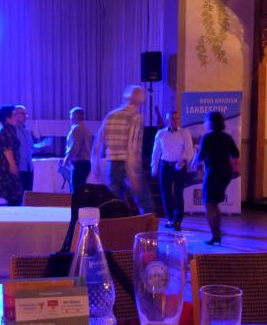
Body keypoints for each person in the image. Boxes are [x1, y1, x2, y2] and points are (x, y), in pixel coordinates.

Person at [93, 85, 154, 214]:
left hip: (112, 164)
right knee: (146, 204)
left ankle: (115, 226)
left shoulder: (112, 115)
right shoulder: (135, 117)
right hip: (128, 164)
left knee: (114, 203)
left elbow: (98, 141)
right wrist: (132, 173)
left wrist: (95, 164)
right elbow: (132, 145)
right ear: (140, 100)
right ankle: (148, 227)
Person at [191, 111, 239, 245]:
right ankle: (217, 232)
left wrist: (197, 157)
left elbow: (200, 157)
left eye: (206, 120)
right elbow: (236, 154)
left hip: (213, 173)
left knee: (209, 204)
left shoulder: (207, 137)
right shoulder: (227, 137)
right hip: (226, 173)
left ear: (210, 123)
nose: (204, 123)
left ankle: (215, 235)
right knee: (214, 203)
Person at [151, 110, 193, 230]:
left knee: (178, 194)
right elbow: (156, 152)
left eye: (176, 118)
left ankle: (178, 220)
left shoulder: (184, 133)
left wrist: (184, 161)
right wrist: (154, 166)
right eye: (172, 118)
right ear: (167, 120)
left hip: (179, 166)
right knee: (166, 193)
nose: (174, 121)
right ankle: (170, 219)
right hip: (165, 166)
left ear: (179, 120)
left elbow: (190, 151)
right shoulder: (160, 133)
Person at [0, 105, 23, 206]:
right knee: (14, 199)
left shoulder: (3, 128)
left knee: (12, 200)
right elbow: (7, 149)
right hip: (7, 169)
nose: (17, 116)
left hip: (3, 168)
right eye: (14, 114)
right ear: (7, 118)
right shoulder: (9, 129)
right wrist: (13, 166)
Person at [13, 105, 45, 193]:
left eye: (26, 114)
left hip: (29, 168)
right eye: (24, 114)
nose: (26, 116)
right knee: (18, 196)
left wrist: (42, 145)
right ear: (16, 115)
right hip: (18, 169)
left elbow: (31, 148)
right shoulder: (11, 130)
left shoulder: (26, 130)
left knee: (28, 196)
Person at [63, 107, 94, 192]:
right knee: (81, 190)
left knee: (75, 192)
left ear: (75, 116)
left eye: (71, 116)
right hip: (86, 163)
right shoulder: (87, 129)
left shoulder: (77, 128)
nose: (70, 119)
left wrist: (67, 158)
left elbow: (75, 147)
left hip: (79, 163)